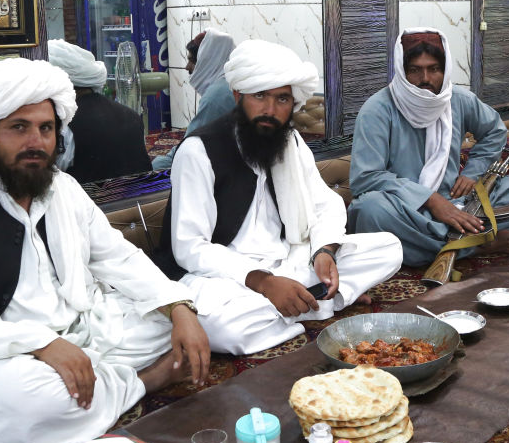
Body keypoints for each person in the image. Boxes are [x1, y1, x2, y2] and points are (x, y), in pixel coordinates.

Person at [0, 57, 211, 443]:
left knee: (188, 323)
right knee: (33, 401)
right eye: (18, 128)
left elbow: (118, 258)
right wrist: (42, 343)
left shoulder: (63, 188)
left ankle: (97, 382)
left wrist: (177, 306)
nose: (36, 142)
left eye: (46, 128)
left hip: (78, 329)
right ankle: (146, 381)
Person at [161, 39, 403, 355]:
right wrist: (264, 283)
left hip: (289, 260)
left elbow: (325, 204)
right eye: (259, 96)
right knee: (224, 328)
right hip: (227, 277)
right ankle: (317, 303)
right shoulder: (198, 151)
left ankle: (294, 304)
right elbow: (190, 247)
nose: (270, 110)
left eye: (282, 99)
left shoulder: (289, 142)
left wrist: (324, 251)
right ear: (238, 96)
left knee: (389, 248)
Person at [347, 28, 509, 267]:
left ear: (445, 69)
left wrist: (472, 172)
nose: (425, 79)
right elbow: (366, 177)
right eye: (415, 70)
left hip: (459, 199)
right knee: (368, 211)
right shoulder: (377, 109)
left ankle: (442, 242)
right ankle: (477, 244)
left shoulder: (458, 99)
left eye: (434, 69)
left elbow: (494, 131)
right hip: (406, 207)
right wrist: (430, 200)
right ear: (401, 70)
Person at [47, 39, 152, 183]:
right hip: (140, 194)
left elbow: (50, 180)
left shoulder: (64, 125)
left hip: (89, 197)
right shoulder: (131, 115)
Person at [153, 28, 236, 170]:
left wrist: (155, 167)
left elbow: (189, 146)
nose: (187, 67)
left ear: (209, 61)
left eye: (192, 61)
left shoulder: (217, 96)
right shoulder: (231, 83)